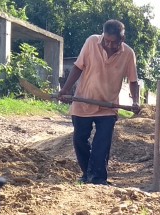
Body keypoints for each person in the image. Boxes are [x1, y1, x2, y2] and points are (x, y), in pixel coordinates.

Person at [58, 20, 141, 185]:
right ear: (102, 35)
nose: (109, 45)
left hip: (108, 107)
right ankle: (87, 173)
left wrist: (136, 101)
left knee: (101, 145)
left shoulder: (128, 54)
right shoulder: (91, 42)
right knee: (79, 140)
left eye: (114, 42)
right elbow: (78, 67)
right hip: (83, 102)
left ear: (122, 40)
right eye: (106, 41)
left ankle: (98, 179)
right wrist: (66, 89)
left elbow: (133, 80)